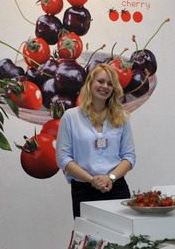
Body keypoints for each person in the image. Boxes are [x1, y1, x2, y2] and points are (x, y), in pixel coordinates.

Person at [56, 63, 136, 218]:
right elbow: (63, 158)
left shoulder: (122, 117)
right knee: (88, 234)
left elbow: (129, 157)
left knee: (121, 233)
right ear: (90, 83)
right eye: (100, 81)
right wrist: (93, 180)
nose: (105, 86)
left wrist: (110, 177)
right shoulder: (71, 117)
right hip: (84, 190)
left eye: (110, 84)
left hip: (116, 188)